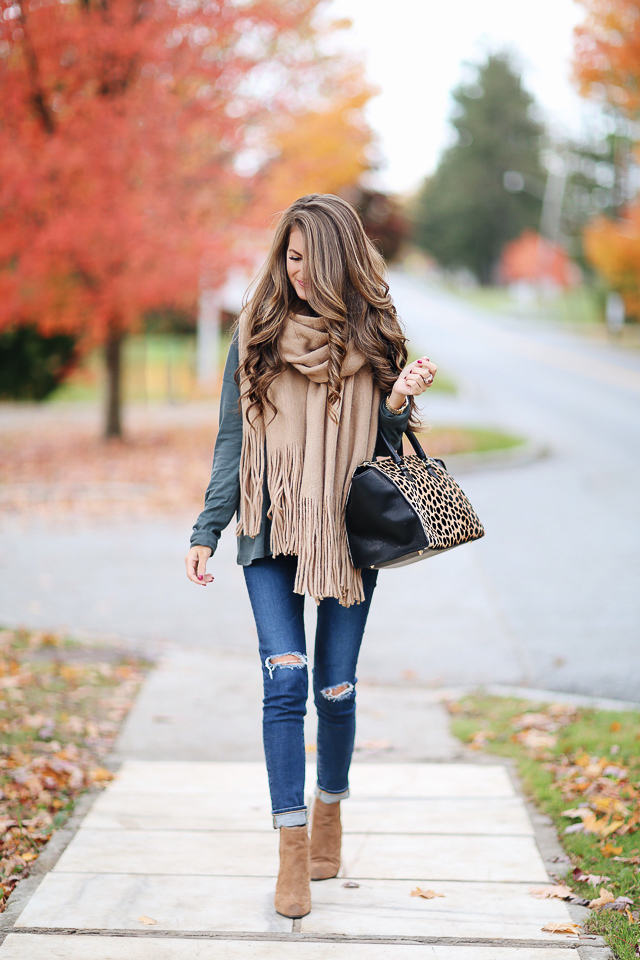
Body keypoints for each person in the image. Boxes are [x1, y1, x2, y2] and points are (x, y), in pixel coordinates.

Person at [185, 194, 437, 919]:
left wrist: (394, 404)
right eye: (289, 258)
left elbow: (384, 462)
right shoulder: (257, 334)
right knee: (285, 683)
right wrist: (208, 528)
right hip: (271, 526)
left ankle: (330, 810)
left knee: (336, 690)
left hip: (346, 536)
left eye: (310, 262)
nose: (297, 274)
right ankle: (291, 850)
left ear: (340, 266)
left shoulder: (376, 339)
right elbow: (232, 443)